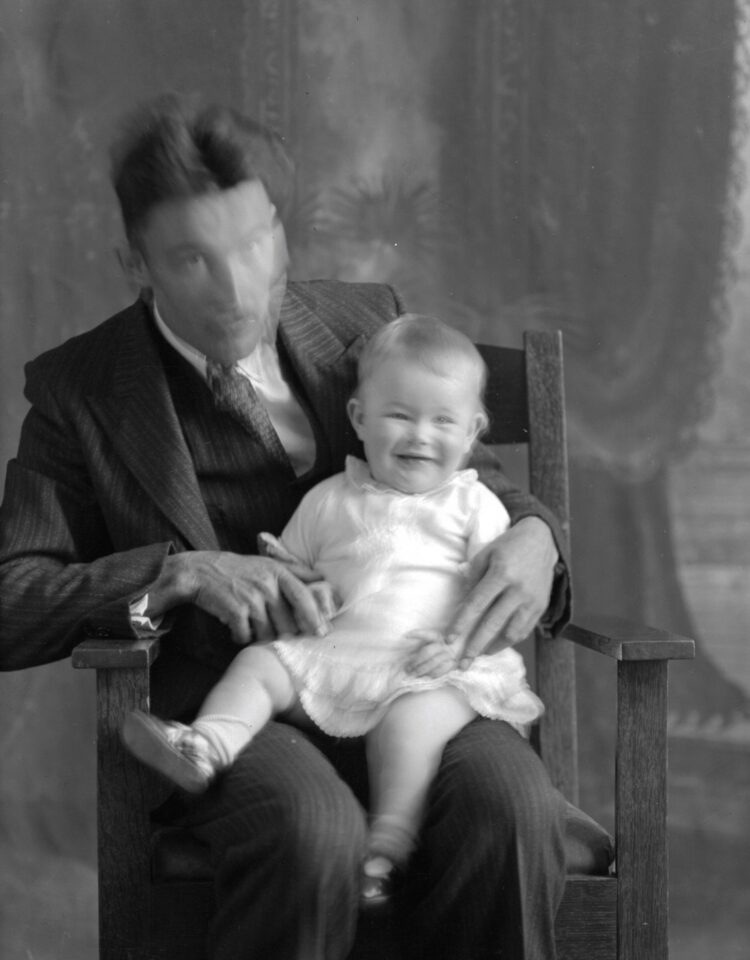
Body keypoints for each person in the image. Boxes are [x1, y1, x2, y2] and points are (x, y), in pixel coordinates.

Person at [0, 94, 570, 960]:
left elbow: (474, 487)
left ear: (281, 228)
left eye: (255, 240)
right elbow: (12, 600)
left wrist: (538, 538)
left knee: (513, 806)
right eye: (192, 258)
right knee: (311, 826)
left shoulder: (361, 321)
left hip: (410, 680)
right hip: (238, 709)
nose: (238, 288)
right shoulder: (82, 391)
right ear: (134, 262)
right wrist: (180, 574)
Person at [121, 313, 546, 905]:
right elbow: (292, 571)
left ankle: (387, 844)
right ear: (358, 418)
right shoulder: (328, 499)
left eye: (443, 421)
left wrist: (458, 647)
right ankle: (208, 745)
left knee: (409, 727)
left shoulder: (474, 506)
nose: (420, 435)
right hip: (336, 657)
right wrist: (309, 592)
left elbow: (494, 603)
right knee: (261, 666)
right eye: (399, 415)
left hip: (428, 666)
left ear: (473, 431)